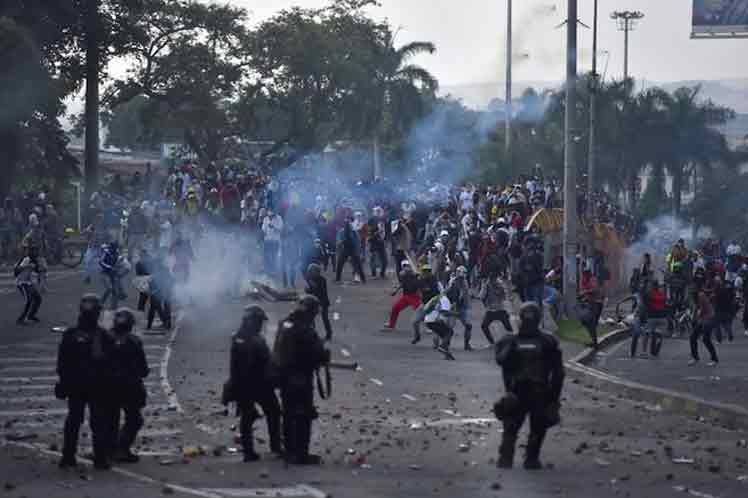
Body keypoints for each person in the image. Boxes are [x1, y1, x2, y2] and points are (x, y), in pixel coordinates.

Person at [494, 302, 565, 470]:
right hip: (535, 392)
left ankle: (508, 458)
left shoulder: (511, 341)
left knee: (514, 428)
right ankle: (529, 459)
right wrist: (554, 398)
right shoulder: (546, 341)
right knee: (535, 428)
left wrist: (553, 399)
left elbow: (501, 362)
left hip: (519, 391)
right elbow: (558, 374)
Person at [55, 294, 116, 470]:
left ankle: (68, 457)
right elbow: (110, 363)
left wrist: (63, 382)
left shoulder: (72, 334)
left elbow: (62, 362)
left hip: (79, 385)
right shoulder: (102, 335)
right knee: (96, 422)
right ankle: (99, 459)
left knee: (75, 420)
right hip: (93, 385)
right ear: (97, 313)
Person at [272, 295, 330, 465]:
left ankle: (289, 451)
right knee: (304, 415)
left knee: (289, 413)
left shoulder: (284, 324)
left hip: (283, 376)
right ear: (310, 312)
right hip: (300, 378)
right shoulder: (305, 329)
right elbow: (316, 353)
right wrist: (323, 356)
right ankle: (301, 454)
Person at [229, 306, 282, 461]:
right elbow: (260, 362)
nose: (260, 325)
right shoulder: (252, 340)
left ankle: (249, 451)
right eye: (258, 321)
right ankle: (274, 447)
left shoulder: (240, 337)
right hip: (257, 384)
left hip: (246, 384)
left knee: (248, 416)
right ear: (252, 321)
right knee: (272, 412)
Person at [109, 308, 149, 463]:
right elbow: (143, 369)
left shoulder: (106, 338)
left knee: (109, 420)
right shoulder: (134, 341)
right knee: (134, 419)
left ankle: (106, 449)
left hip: (109, 387)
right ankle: (121, 449)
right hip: (130, 387)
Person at [384, 261, 421, 331]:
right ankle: (391, 325)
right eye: (404, 266)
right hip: (406, 296)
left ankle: (430, 327)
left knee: (421, 312)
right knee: (395, 308)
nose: (406, 267)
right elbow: (402, 284)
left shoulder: (416, 274)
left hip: (414, 297)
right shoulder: (402, 275)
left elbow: (420, 284)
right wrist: (395, 291)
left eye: (407, 266)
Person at [689, 285, 719, 366]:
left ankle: (714, 359)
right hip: (703, 319)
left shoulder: (701, 295)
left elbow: (701, 310)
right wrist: (694, 316)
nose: (691, 293)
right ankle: (695, 358)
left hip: (709, 318)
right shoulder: (695, 297)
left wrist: (695, 318)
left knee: (706, 339)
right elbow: (696, 308)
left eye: (692, 291)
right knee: (692, 337)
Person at [422, 292, 456, 360]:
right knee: (449, 332)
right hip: (433, 320)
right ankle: (442, 347)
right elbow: (444, 312)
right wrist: (456, 314)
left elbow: (425, 308)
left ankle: (447, 354)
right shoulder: (445, 300)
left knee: (445, 336)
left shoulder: (439, 297)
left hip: (429, 319)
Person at [411, 264, 441, 344]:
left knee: (434, 324)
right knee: (415, 322)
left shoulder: (434, 281)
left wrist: (426, 289)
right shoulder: (420, 280)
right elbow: (413, 287)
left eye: (428, 271)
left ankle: (437, 343)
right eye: (424, 271)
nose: (426, 273)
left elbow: (435, 293)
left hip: (434, 306)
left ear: (430, 272)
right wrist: (416, 279)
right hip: (424, 305)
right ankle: (417, 337)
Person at [479, 275, 512, 345]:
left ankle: (520, 338)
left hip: (496, 310)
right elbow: (481, 296)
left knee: (509, 327)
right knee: (484, 326)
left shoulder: (493, 284)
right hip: (495, 310)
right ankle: (493, 343)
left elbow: (482, 296)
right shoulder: (491, 284)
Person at [305, 263, 333, 341]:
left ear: (317, 272)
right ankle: (312, 334)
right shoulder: (309, 279)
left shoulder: (322, 280)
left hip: (323, 302)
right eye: (309, 272)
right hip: (313, 302)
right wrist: (308, 288)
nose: (310, 273)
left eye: (311, 272)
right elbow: (308, 291)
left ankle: (329, 333)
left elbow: (321, 292)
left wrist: (312, 287)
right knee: (311, 319)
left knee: (325, 319)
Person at [335, 218, 366, 284]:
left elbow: (357, 241)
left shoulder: (352, 232)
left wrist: (357, 249)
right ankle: (363, 279)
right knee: (341, 264)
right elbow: (339, 242)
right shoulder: (344, 232)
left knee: (342, 264)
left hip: (350, 249)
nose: (348, 226)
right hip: (348, 249)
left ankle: (362, 278)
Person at [579, 267, 604, 349]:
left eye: (585, 274)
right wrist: (584, 297)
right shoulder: (585, 280)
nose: (584, 276)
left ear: (588, 274)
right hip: (591, 304)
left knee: (591, 323)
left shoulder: (593, 279)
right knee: (587, 322)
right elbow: (587, 293)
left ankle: (595, 343)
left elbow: (594, 289)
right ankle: (594, 342)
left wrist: (585, 292)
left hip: (596, 304)